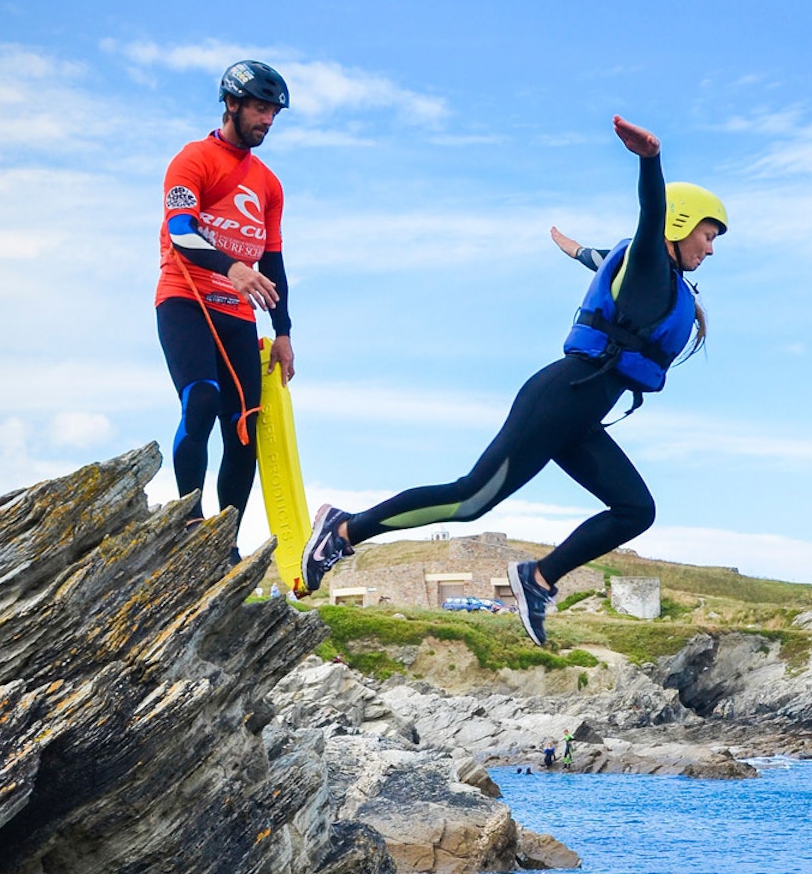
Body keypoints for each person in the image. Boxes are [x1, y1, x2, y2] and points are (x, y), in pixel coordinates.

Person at [302, 115, 726, 647]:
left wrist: (575, 251)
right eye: (707, 235)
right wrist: (650, 160)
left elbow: (599, 259)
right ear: (680, 224)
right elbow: (646, 222)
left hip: (582, 413)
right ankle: (344, 530)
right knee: (470, 500)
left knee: (636, 509)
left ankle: (538, 579)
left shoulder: (662, 282)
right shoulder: (650, 265)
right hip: (560, 395)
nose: (710, 249)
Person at [156, 60, 296, 562]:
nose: (267, 121)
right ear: (232, 104)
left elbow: (274, 261)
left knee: (244, 426)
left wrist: (282, 331)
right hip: (185, 298)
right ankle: (189, 525)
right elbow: (180, 231)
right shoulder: (192, 159)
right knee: (202, 401)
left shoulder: (269, 184)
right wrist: (233, 267)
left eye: (274, 113)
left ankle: (225, 544)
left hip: (238, 314)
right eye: (260, 109)